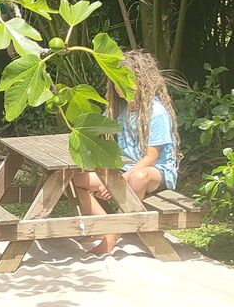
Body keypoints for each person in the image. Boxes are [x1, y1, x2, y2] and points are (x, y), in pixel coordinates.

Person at [69, 50, 181, 255]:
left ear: (141, 81)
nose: (119, 87)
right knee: (76, 177)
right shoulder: (117, 109)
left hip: (155, 172)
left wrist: (119, 179)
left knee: (138, 177)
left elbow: (151, 157)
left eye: (125, 81)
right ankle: (102, 226)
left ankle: (111, 238)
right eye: (116, 81)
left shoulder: (156, 112)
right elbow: (97, 133)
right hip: (123, 170)